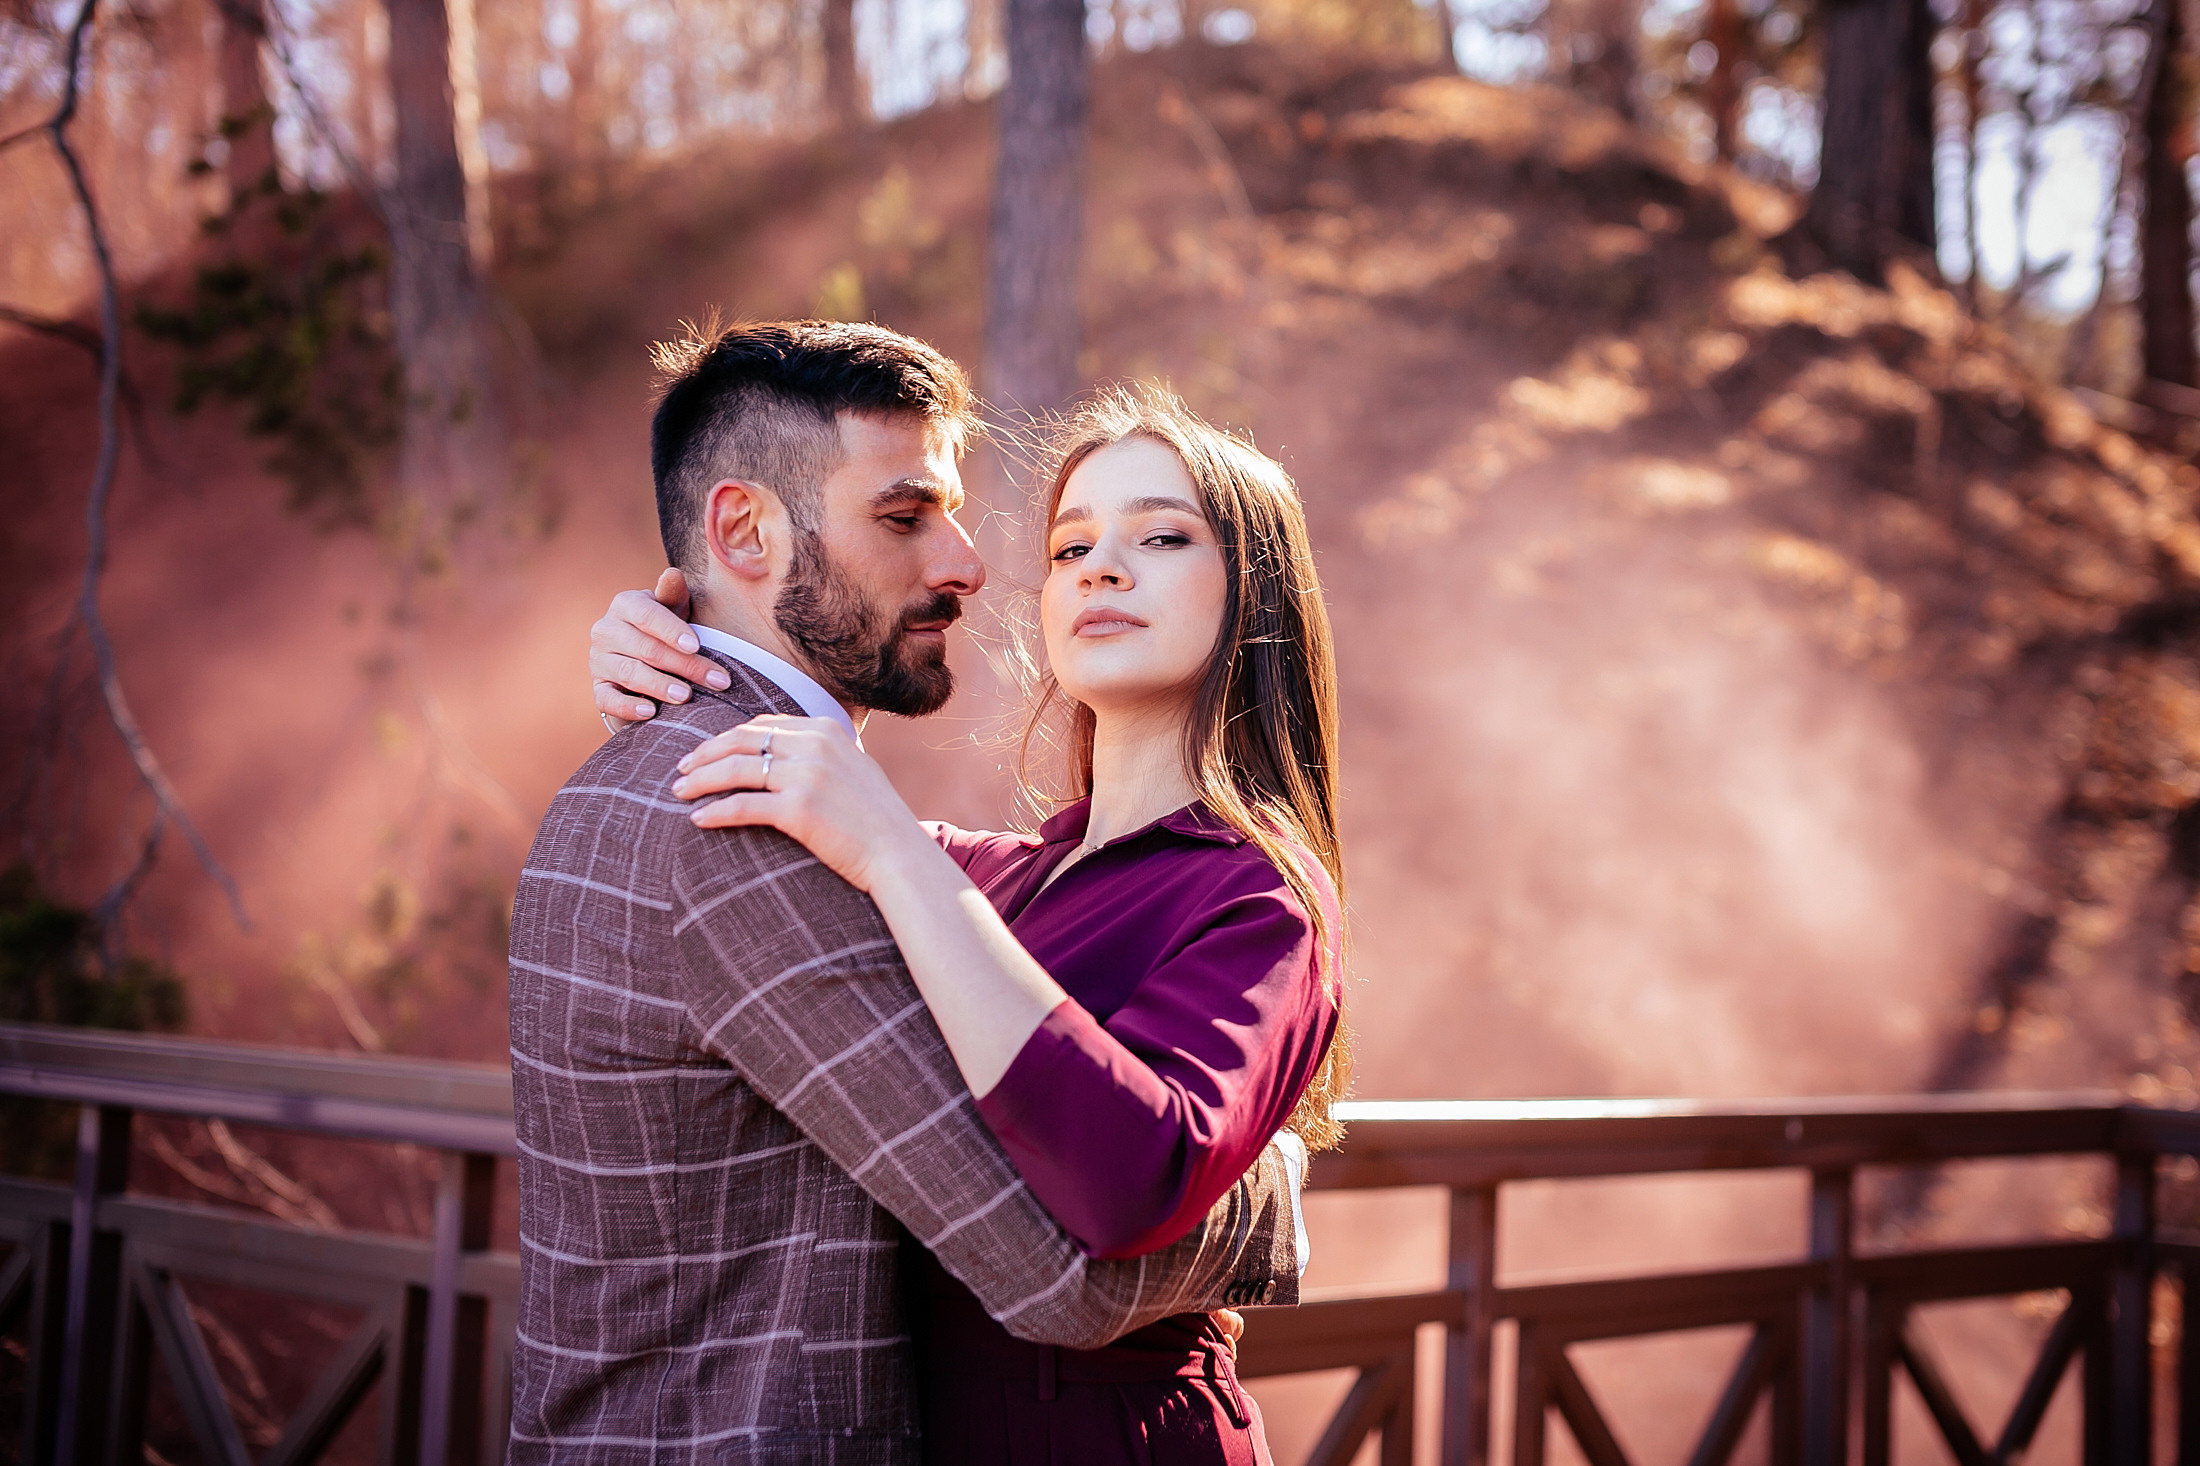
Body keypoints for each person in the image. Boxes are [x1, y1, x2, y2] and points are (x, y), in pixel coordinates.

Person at [510, 321, 1305, 1466]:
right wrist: (1261, 1192)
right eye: (903, 515)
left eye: (1161, 536)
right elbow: (1058, 1269)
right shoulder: (748, 824)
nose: (967, 563)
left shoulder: (714, 789)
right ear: (744, 531)